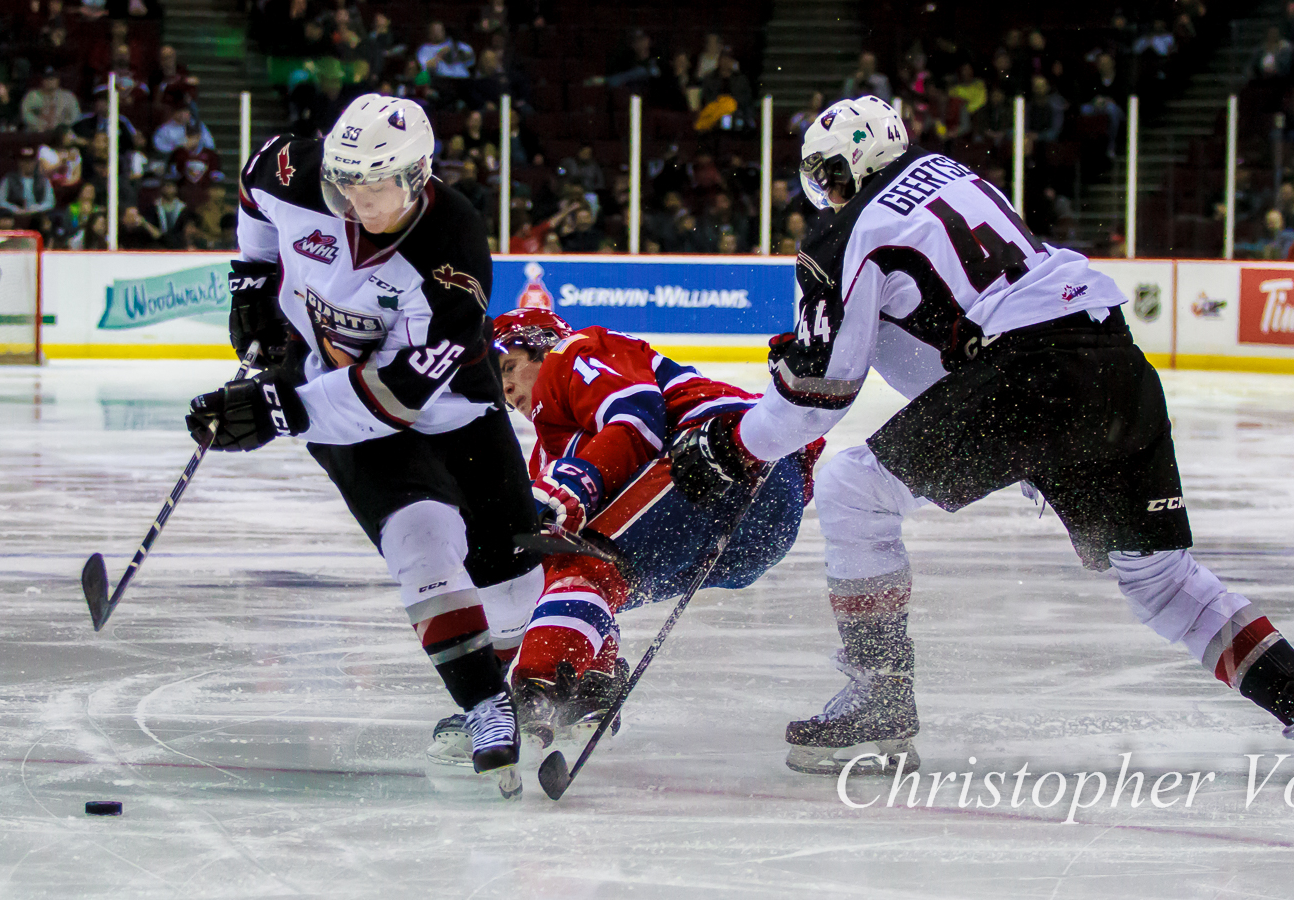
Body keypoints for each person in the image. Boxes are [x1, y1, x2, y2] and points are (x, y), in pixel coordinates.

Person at [668, 96, 1294, 781]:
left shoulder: (843, 229)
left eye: (825, 178)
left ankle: (879, 702)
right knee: (1162, 579)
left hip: (1031, 379)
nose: (823, 194)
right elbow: (936, 330)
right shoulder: (950, 176)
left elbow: (819, 400)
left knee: (850, 486)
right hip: (1115, 362)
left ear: (838, 171)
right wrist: (820, 350)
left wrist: (733, 444)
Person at [185, 95, 541, 798]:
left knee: (514, 577)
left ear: (416, 178)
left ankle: (520, 680)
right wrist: (253, 283)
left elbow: (403, 394)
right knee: (422, 538)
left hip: (449, 405)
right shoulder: (291, 168)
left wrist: (280, 413)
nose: (353, 199)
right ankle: (483, 704)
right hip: (332, 396)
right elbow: (255, 197)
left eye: (373, 186)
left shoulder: (452, 251)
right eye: (343, 183)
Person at [439, 308, 820, 747]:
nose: (506, 389)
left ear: (543, 343)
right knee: (574, 575)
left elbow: (635, 420)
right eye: (497, 386)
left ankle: (532, 697)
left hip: (724, 458)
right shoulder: (553, 449)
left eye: (508, 367)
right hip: (760, 526)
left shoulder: (574, 351)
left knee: (582, 564)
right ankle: (591, 685)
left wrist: (568, 492)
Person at [0, 146, 56, 223]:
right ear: (20, 162)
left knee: (49, 218)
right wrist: (15, 209)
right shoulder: (9, 179)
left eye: (31, 161)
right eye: (25, 161)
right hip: (14, 214)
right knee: (3, 216)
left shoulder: (43, 180)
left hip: (37, 215)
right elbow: (0, 201)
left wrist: (36, 209)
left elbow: (50, 202)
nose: (28, 164)